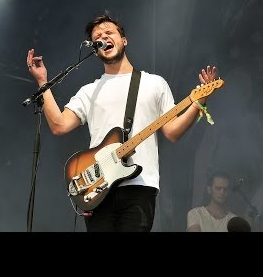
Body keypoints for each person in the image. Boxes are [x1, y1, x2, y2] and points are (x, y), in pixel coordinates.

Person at [27, 12, 217, 232]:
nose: (103, 37)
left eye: (109, 32)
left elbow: (173, 132)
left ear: (124, 40)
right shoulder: (89, 91)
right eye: (98, 36)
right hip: (97, 188)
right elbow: (59, 125)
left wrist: (198, 102)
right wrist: (43, 81)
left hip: (140, 186)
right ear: (95, 50)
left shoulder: (154, 84)